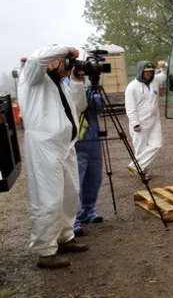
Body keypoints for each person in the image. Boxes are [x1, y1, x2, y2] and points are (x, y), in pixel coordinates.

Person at [17, 44, 90, 269]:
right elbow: (37, 59)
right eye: (66, 63)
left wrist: (77, 80)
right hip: (44, 145)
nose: (69, 67)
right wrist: (65, 50)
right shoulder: (33, 78)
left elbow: (79, 106)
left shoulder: (60, 84)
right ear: (56, 60)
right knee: (48, 198)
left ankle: (64, 237)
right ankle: (46, 251)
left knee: (70, 194)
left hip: (64, 145)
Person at [64, 68, 104, 237]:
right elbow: (75, 107)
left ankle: (89, 210)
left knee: (94, 177)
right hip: (77, 141)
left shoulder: (86, 87)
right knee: (75, 181)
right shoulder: (64, 86)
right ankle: (73, 220)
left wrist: (95, 89)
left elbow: (99, 108)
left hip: (93, 137)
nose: (81, 74)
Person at [124, 60, 167, 179]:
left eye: (151, 72)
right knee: (141, 149)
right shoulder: (132, 87)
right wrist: (135, 124)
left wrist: (164, 66)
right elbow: (130, 108)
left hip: (154, 120)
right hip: (140, 123)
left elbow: (164, 75)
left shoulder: (155, 81)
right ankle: (142, 172)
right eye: (146, 72)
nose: (149, 74)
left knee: (157, 144)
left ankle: (135, 166)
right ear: (140, 72)